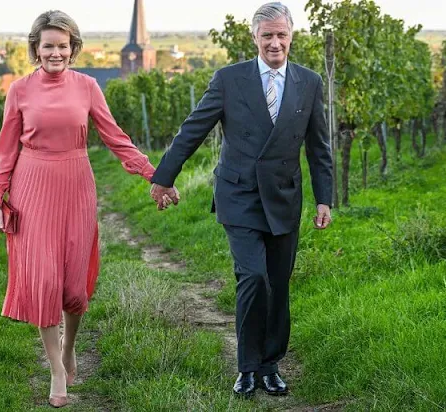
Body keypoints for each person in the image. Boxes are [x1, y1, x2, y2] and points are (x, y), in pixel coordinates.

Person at [0, 10, 173, 408]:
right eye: (48, 45)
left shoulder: (88, 86)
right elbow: (5, 150)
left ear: (73, 49)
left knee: (73, 285)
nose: (56, 52)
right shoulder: (19, 90)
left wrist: (154, 174)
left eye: (63, 45)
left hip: (76, 183)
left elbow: (116, 138)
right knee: (44, 281)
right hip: (32, 184)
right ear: (36, 48)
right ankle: (55, 367)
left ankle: (70, 345)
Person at [149, 1, 333, 398]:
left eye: (281, 35)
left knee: (278, 284)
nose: (275, 43)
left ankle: (271, 365)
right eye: (266, 35)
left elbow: (319, 147)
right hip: (239, 194)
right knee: (253, 277)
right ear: (254, 38)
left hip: (284, 196)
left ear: (291, 36)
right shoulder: (229, 79)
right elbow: (192, 130)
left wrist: (324, 199)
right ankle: (247, 368)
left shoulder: (309, 82)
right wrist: (163, 177)